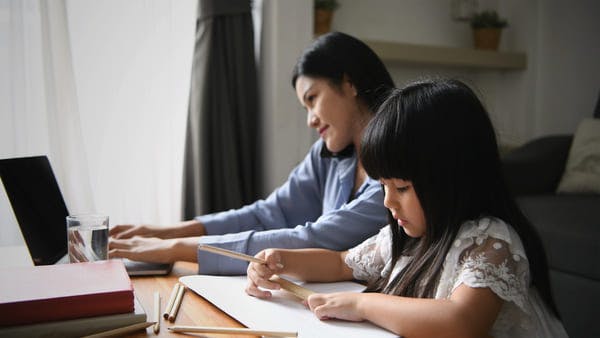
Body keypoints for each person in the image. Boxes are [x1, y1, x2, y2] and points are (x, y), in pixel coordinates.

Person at [245, 79, 569, 337]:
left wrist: (362, 304)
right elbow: (341, 263)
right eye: (384, 186)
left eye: (401, 188)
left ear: (453, 176)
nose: (388, 201)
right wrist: (282, 260)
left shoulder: (492, 243)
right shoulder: (407, 236)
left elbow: (461, 322)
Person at [108, 32, 395, 275]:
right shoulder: (327, 156)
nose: (310, 119)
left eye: (312, 99)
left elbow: (314, 239)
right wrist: (168, 232)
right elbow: (269, 214)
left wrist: (176, 249)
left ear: (349, 83)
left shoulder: (398, 164)